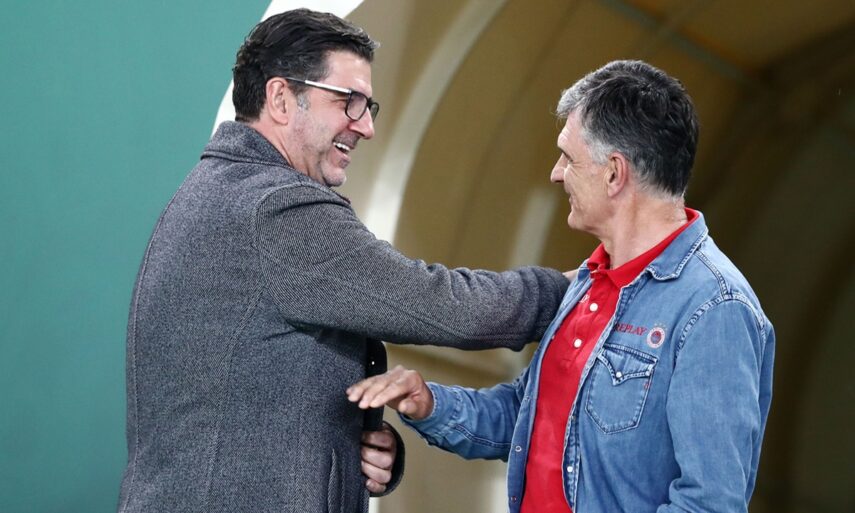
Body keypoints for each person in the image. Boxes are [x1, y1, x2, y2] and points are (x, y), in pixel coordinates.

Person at [115, 8, 572, 513]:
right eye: (348, 101)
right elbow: (441, 305)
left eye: (368, 105)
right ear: (281, 98)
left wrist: (356, 453)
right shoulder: (279, 208)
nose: (367, 126)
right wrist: (574, 288)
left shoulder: (218, 191)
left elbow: (243, 404)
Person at [348, 60, 776, 513]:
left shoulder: (715, 308)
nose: (556, 173)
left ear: (614, 173)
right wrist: (430, 403)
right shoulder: (589, 281)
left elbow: (709, 504)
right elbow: (531, 418)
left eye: (568, 158)